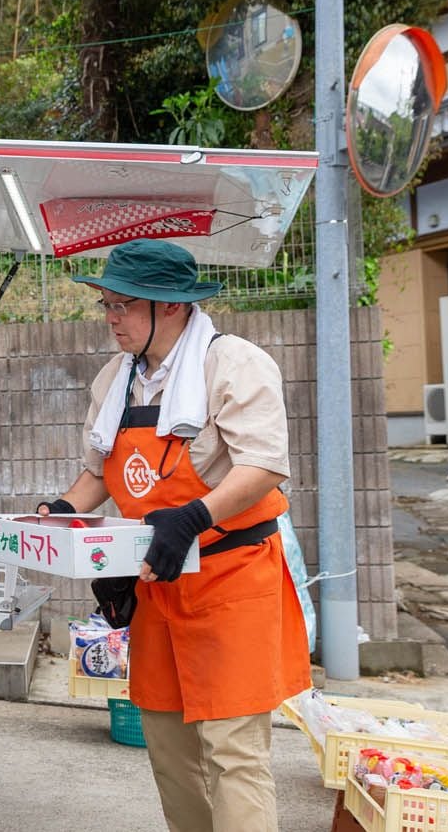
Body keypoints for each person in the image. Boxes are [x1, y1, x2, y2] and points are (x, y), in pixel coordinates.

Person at [39, 239, 309, 832]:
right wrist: (60, 512)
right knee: (166, 743)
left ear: (174, 306)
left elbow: (262, 465)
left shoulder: (233, 363)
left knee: (233, 750)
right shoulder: (117, 378)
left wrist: (192, 516)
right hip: (159, 582)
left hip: (231, 578)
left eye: (124, 305)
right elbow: (97, 471)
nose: (111, 318)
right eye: (106, 304)